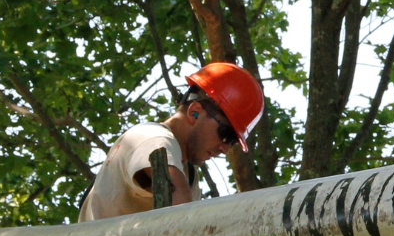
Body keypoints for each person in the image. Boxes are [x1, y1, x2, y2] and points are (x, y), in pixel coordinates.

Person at [79, 62, 264, 223]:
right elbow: (180, 212)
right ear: (195, 112)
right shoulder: (151, 137)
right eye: (226, 134)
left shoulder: (189, 175)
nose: (225, 149)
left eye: (232, 142)